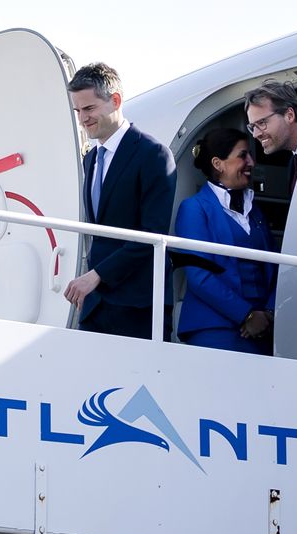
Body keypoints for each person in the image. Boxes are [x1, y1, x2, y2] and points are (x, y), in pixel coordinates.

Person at [63, 62, 176, 339]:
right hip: (95, 306)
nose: (82, 119)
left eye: (89, 109)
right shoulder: (91, 159)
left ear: (115, 101)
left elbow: (153, 235)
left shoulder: (154, 155)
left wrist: (97, 274)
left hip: (138, 306)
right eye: (78, 111)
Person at [175, 128, 277, 354]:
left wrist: (267, 313)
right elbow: (198, 275)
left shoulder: (255, 210)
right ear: (218, 163)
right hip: (215, 329)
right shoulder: (194, 209)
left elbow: (277, 265)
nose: (251, 161)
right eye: (243, 155)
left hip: (263, 330)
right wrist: (246, 314)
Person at [243, 79, 297, 194]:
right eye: (252, 126)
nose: (256, 134)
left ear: (289, 115)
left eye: (261, 123)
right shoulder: (293, 163)